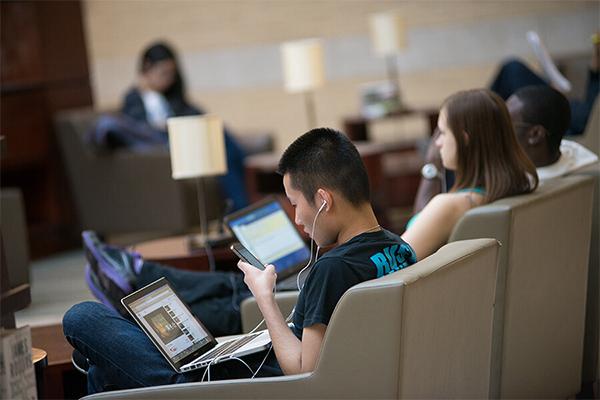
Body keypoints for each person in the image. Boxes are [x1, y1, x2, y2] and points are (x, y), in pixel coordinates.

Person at [63, 128, 418, 393]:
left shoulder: (332, 269)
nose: (297, 219)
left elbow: (302, 371)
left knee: (83, 317)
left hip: (226, 389)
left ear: (323, 200)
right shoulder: (399, 249)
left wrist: (264, 298)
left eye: (296, 203)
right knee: (103, 369)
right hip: (252, 373)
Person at [414, 85, 598, 213]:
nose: (494, 130)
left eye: (505, 124)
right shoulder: (581, 159)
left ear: (535, 135)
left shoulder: (508, 185)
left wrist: (432, 166)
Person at [122, 41, 249, 211]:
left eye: (171, 73)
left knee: (219, 136)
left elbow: (192, 112)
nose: (169, 79)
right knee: (222, 148)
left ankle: (242, 205)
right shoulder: (134, 99)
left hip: (187, 137)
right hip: (170, 147)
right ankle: (241, 208)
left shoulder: (171, 95)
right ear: (146, 69)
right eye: (163, 73)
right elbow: (141, 130)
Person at [490, 32, 599, 136]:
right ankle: (482, 119)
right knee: (512, 69)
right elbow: (591, 103)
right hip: (575, 111)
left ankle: (481, 120)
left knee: (513, 69)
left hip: (574, 120)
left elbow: (589, 118)